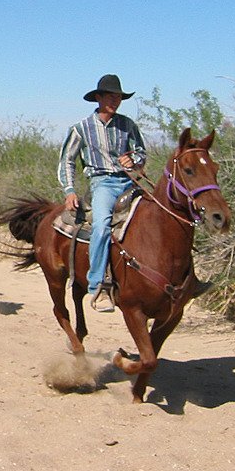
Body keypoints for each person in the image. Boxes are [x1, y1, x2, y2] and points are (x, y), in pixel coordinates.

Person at [57, 74, 147, 313]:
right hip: (103, 183)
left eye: (118, 97)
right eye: (110, 96)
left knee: (161, 211)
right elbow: (67, 161)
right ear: (98, 98)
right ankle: (98, 284)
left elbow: (141, 153)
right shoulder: (81, 129)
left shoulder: (127, 125)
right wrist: (70, 191)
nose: (115, 101)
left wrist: (134, 159)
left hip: (129, 181)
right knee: (101, 225)